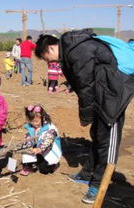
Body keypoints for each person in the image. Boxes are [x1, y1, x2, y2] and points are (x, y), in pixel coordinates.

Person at [35, 29, 134, 204]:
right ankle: (88, 173)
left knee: (108, 142)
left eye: (45, 57)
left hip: (114, 93)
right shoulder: (71, 50)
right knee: (97, 134)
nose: (47, 61)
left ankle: (98, 185)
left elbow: (86, 85)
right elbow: (83, 78)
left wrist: (85, 115)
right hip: (103, 93)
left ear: (50, 48)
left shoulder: (77, 50)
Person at [20, 104, 61, 176]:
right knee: (26, 152)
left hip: (48, 149)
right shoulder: (31, 127)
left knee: (44, 170)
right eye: (31, 121)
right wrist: (27, 145)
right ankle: (29, 166)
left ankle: (54, 165)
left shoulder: (50, 129)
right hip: (37, 148)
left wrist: (39, 149)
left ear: (42, 118)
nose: (34, 124)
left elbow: (47, 142)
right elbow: (28, 138)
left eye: (36, 121)